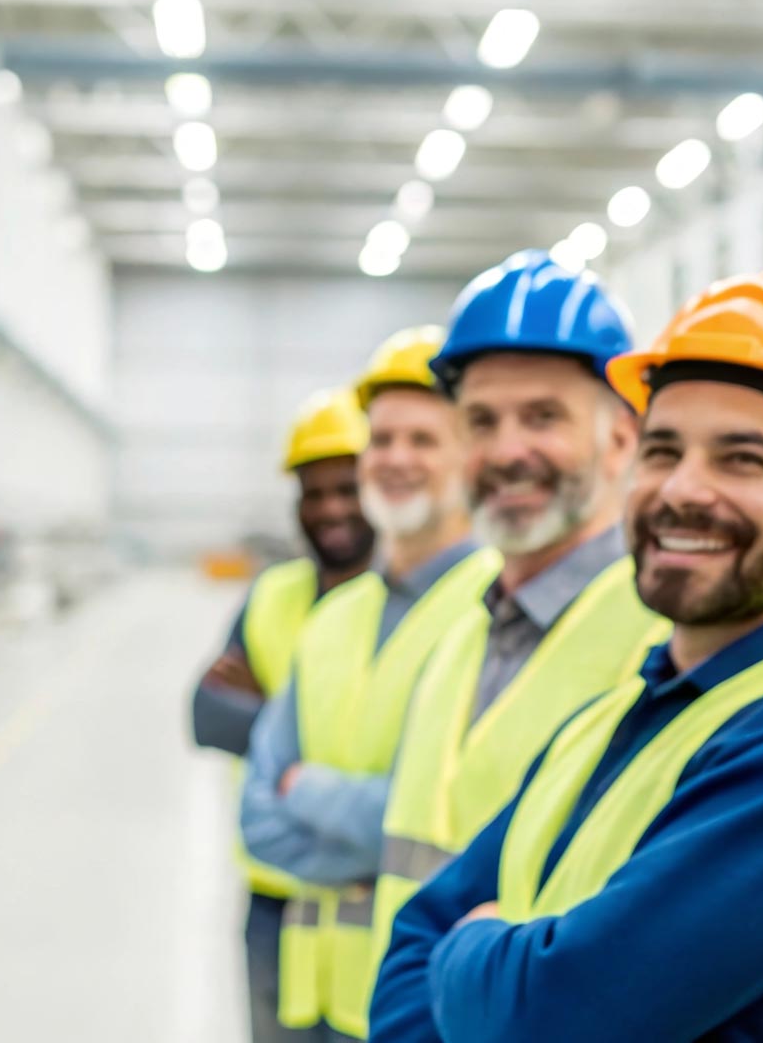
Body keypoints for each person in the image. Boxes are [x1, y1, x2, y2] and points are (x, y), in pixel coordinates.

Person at [369, 270, 763, 1042]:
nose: (683, 490)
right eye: (663, 450)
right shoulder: (623, 711)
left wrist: (471, 955)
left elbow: (553, 1019)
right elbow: (406, 956)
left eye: (741, 459)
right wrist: (494, 967)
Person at [338, 250, 669, 1039]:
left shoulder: (664, 641)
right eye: (483, 421)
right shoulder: (460, 627)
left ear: (621, 440)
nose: (508, 449)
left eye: (544, 417)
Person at [238, 325, 498, 1042]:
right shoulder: (335, 615)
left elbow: (468, 832)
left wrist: (310, 791)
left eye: (422, 440)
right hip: (307, 990)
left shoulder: (495, 611)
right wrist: (379, 824)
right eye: (381, 441)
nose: (395, 460)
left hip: (416, 997)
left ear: (469, 457)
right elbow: (257, 818)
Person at [188, 388, 376, 1043]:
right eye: (314, 492)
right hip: (276, 896)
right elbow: (205, 714)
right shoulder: (273, 594)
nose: (330, 509)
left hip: (374, 890)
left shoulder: (410, 606)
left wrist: (270, 730)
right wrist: (302, 745)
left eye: (347, 489)